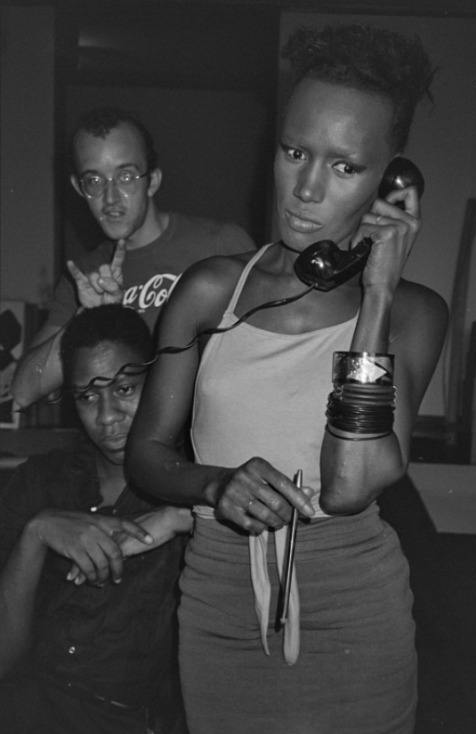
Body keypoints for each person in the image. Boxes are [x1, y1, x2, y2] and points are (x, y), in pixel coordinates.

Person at [127, 23, 448, 734]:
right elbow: (147, 455)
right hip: (219, 599)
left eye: (343, 167)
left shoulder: (414, 315)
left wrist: (379, 297)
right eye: (295, 152)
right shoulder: (212, 291)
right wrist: (214, 482)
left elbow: (350, 483)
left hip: (354, 610)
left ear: (391, 182)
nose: (304, 189)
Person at [0, 304, 193, 734]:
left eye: (124, 389)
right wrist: (36, 535)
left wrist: (180, 517)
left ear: (159, 382)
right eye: (88, 396)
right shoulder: (41, 482)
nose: (106, 417)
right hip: (24, 708)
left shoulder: (192, 484)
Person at [11, 106, 255, 409]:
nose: (110, 198)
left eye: (125, 176)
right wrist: (84, 320)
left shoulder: (220, 243)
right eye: (94, 181)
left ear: (152, 180)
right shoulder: (83, 277)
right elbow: (22, 393)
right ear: (78, 187)